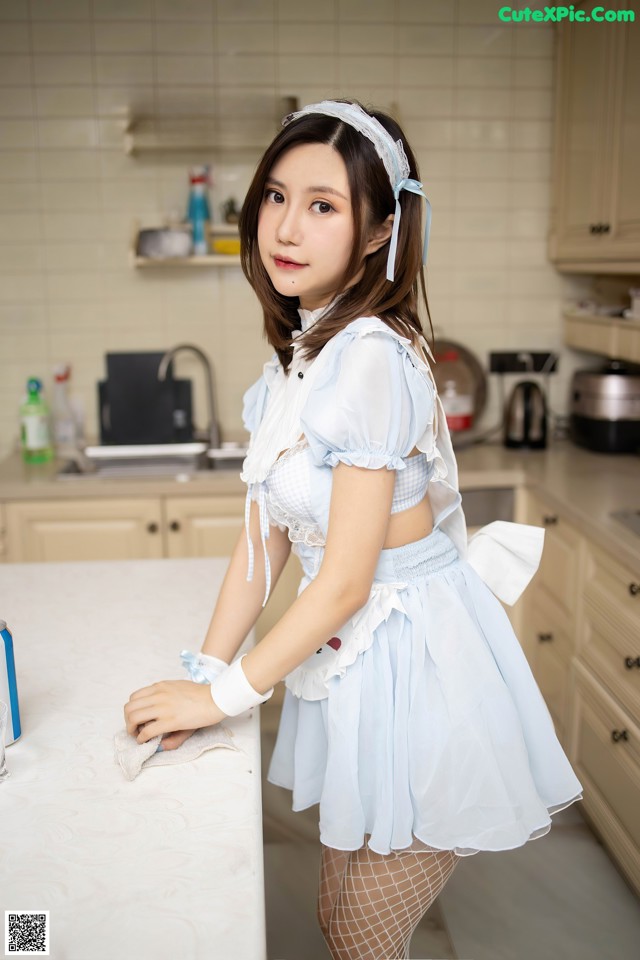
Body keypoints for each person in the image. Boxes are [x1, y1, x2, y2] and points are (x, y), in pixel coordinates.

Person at [125, 99, 583, 960]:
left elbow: (342, 581)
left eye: (322, 205)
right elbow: (262, 544)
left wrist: (223, 699)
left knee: (362, 937)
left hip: (422, 676)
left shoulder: (370, 357)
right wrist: (204, 678)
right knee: (342, 923)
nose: (285, 227)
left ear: (379, 232)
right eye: (275, 196)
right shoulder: (300, 359)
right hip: (360, 672)